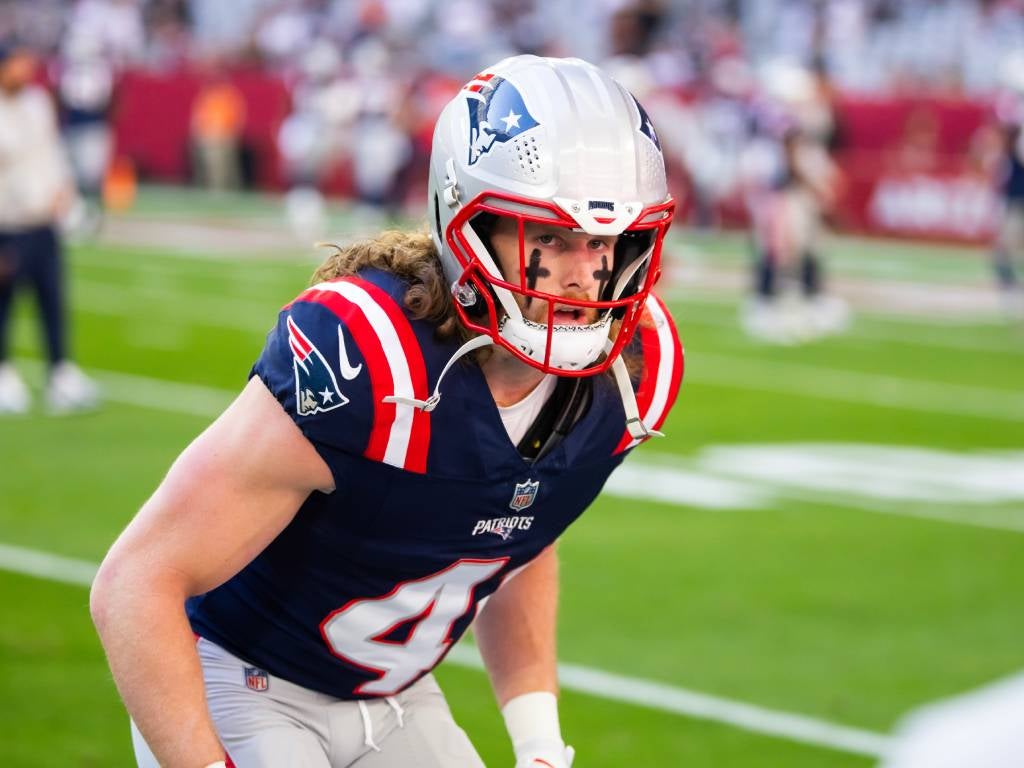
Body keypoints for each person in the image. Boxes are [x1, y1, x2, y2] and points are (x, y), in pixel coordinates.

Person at [90, 55, 683, 768]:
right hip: (243, 684)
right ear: (473, 224)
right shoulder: (370, 357)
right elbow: (135, 582)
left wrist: (539, 745)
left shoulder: (630, 372)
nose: (583, 273)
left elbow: (521, 537)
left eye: (603, 242)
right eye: (547, 237)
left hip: (399, 700)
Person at [0, 41, 99, 414]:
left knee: (52, 299)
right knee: (5, 304)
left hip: (44, 220)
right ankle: (4, 374)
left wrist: (64, 191)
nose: (24, 71)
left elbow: (52, 152)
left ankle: (61, 373)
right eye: (16, 64)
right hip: (8, 224)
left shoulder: (37, 103)